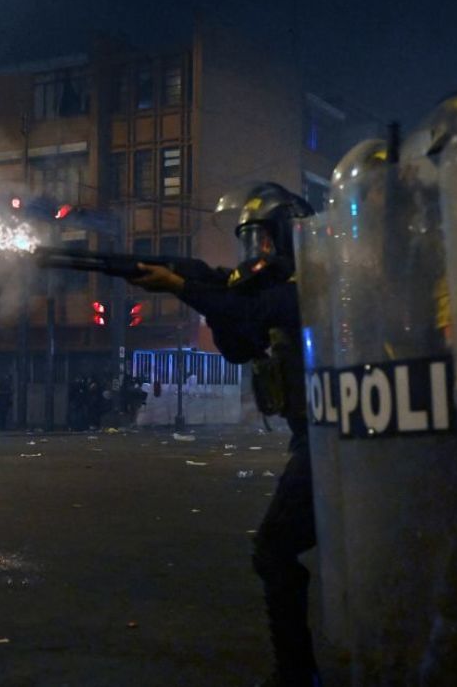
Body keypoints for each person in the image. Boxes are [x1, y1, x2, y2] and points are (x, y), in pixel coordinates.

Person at [129, 182, 318, 687]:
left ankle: (298, 677)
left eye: (264, 240)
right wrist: (194, 285)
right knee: (280, 551)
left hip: (335, 439)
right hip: (316, 437)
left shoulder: (314, 285)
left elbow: (252, 312)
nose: (255, 252)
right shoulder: (271, 291)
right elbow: (238, 343)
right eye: (248, 241)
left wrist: (181, 286)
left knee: (275, 551)